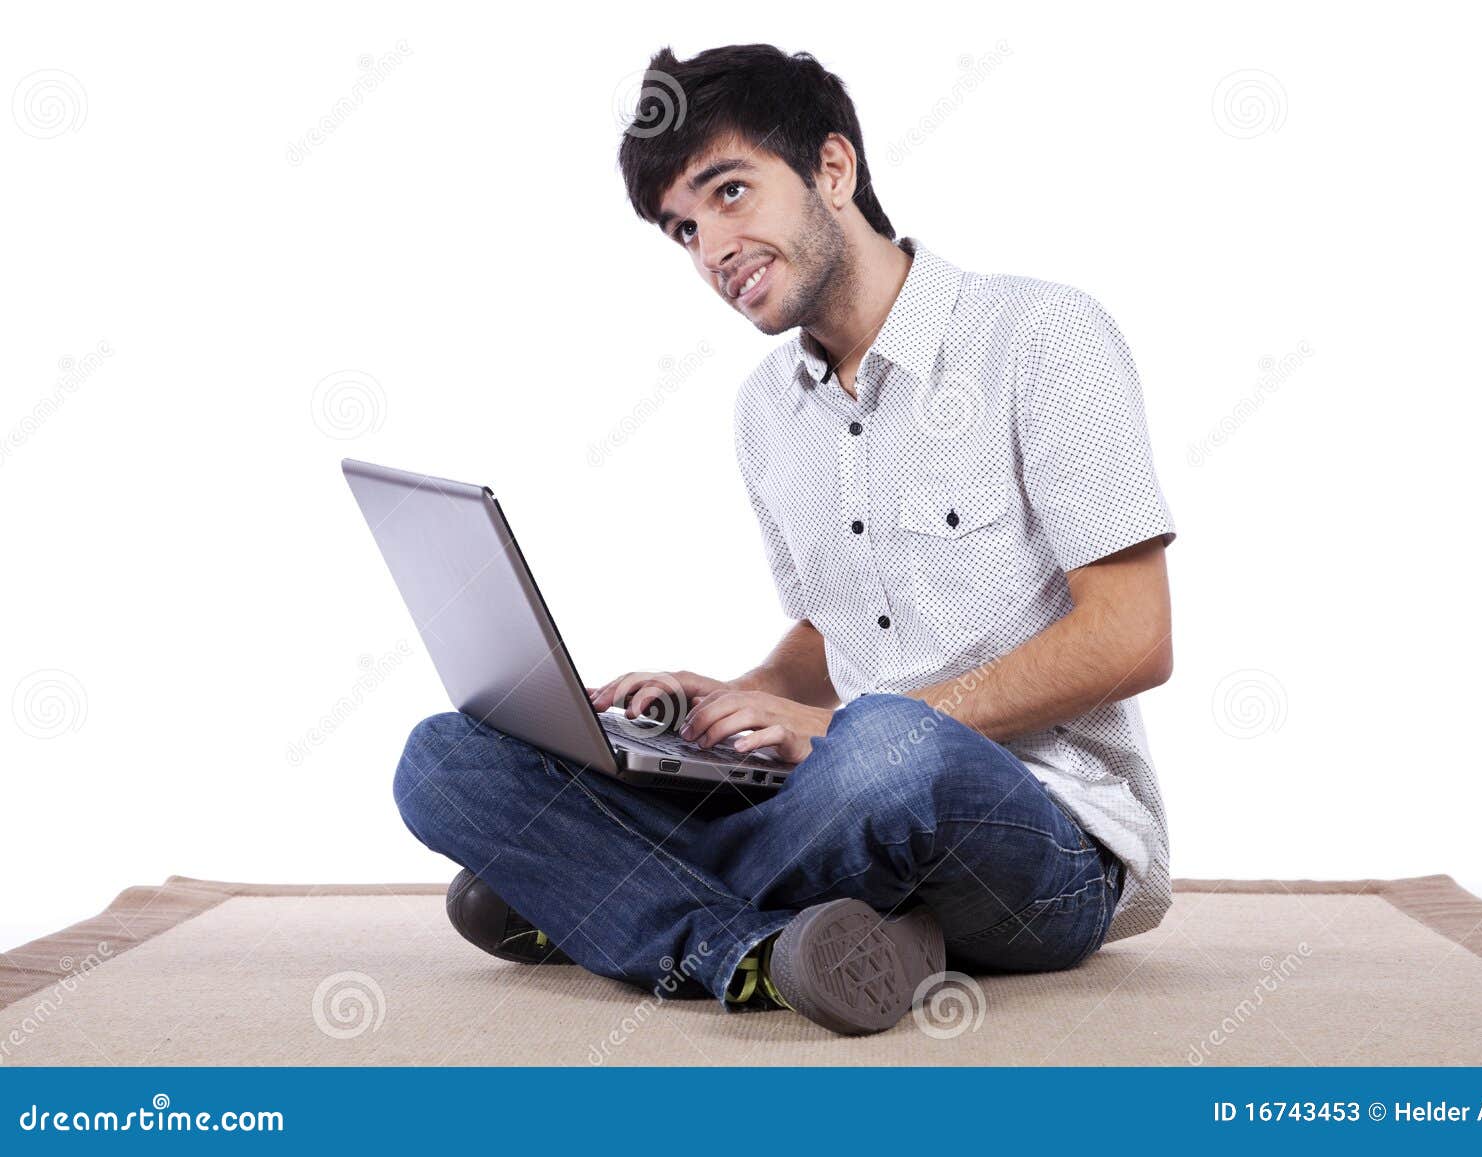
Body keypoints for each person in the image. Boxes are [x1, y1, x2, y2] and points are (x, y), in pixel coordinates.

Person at [394, 43, 1177, 1036]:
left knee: (888, 745)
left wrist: (855, 724)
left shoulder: (1039, 335)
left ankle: (606, 902)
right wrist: (743, 696)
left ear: (833, 170)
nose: (710, 247)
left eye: (728, 193)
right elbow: (829, 633)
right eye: (682, 228)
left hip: (1046, 836)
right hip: (834, 801)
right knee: (445, 756)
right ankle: (754, 942)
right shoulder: (765, 412)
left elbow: (1132, 635)